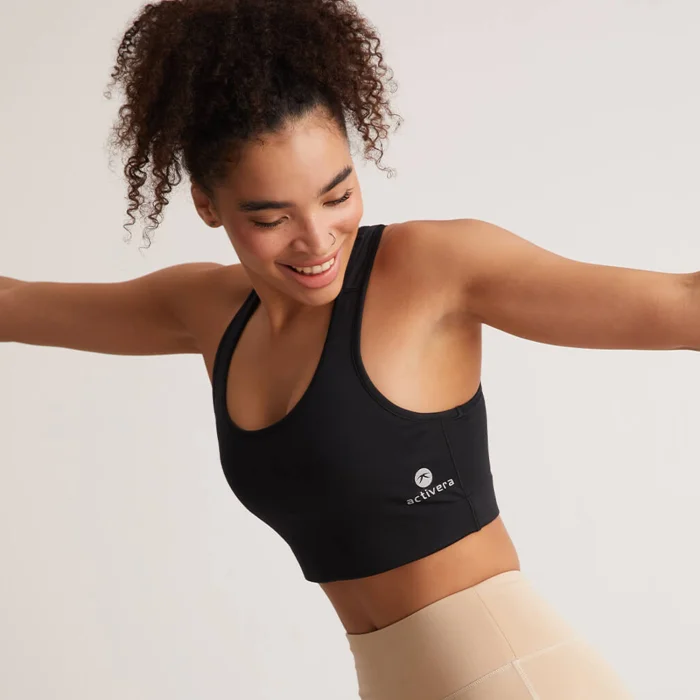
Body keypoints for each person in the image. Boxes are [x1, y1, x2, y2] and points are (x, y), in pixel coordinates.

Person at [2, 0, 696, 697]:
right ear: (207, 204)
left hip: (511, 676)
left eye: (337, 196)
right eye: (272, 218)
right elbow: (12, 305)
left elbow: (685, 306)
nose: (317, 239)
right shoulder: (206, 312)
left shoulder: (431, 268)